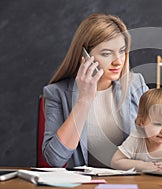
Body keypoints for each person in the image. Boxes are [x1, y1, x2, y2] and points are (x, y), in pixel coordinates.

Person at [42, 13, 148, 168]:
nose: (118, 61)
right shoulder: (57, 93)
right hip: (85, 187)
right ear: (84, 56)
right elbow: (55, 159)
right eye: (106, 53)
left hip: (131, 181)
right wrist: (84, 100)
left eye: (122, 51)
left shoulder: (135, 84)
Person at [111, 88, 162, 171]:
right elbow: (115, 162)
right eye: (158, 124)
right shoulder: (137, 139)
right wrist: (142, 165)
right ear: (142, 122)